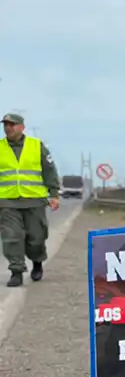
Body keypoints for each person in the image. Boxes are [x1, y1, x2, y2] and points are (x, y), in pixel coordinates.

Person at [0, 113, 60, 287]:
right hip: (7, 201)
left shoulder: (36, 146)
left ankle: (37, 262)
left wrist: (54, 194)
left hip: (34, 200)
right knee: (12, 236)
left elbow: (49, 170)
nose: (8, 128)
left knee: (36, 238)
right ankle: (16, 271)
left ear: (21, 127)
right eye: (5, 124)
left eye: (12, 124)